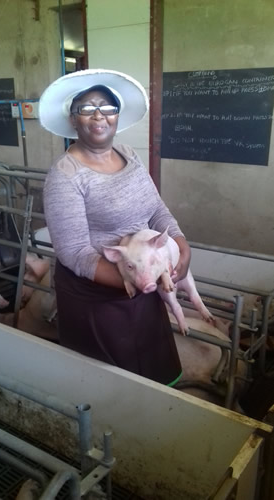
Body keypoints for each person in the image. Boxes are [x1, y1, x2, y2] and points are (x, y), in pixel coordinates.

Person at [39, 69, 191, 386]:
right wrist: (137, 277)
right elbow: (74, 252)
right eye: (87, 108)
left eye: (107, 107)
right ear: (73, 119)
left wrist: (180, 243)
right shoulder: (64, 176)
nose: (99, 116)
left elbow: (156, 208)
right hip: (97, 300)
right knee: (109, 387)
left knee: (153, 375)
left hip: (143, 281)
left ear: (117, 115)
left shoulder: (129, 154)